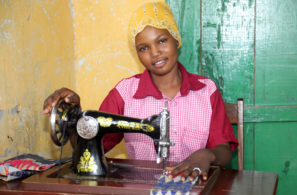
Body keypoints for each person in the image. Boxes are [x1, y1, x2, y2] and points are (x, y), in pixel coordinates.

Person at [43, 2, 238, 182]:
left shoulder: (206, 91)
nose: (154, 53)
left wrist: (208, 154)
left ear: (176, 39)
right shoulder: (124, 93)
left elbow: (224, 150)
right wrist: (74, 114)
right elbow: (87, 145)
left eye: (162, 41)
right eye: (144, 48)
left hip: (192, 187)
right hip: (141, 189)